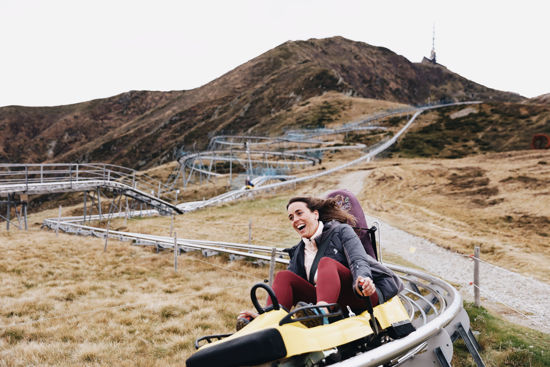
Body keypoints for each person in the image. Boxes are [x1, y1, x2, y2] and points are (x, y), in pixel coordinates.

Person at [237, 196, 403, 328]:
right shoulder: (299, 252)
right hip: (335, 303)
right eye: (291, 217)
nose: (295, 219)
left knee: (326, 263)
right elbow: (289, 288)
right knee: (284, 276)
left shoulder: (341, 231)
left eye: (299, 213)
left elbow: (358, 259)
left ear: (315, 214)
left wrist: (364, 279)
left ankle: (321, 312)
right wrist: (264, 313)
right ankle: (268, 320)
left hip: (364, 292)